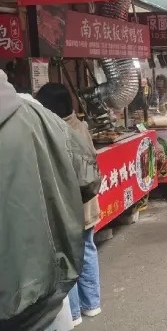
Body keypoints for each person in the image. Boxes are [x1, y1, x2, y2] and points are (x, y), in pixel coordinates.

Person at [0, 71, 100, 331]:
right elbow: (89, 178)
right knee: (84, 251)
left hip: (14, 294)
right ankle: (90, 303)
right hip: (45, 299)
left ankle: (81, 309)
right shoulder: (40, 117)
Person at [36, 83, 102, 328]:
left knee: (67, 258)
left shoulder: (51, 131)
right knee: (88, 249)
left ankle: (73, 313)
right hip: (88, 203)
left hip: (69, 206)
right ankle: (92, 303)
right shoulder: (81, 126)